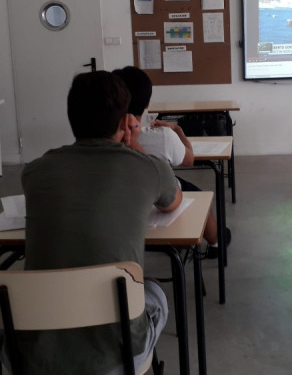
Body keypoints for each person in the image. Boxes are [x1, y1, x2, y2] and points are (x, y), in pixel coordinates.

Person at [21, 71, 181, 373]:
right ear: (125, 123)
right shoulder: (148, 169)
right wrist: (133, 145)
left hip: (35, 354)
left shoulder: (35, 172)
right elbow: (173, 202)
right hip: (119, 351)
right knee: (154, 290)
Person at [113, 66, 230, 259]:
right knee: (200, 196)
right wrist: (178, 131)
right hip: (161, 201)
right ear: (147, 104)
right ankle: (216, 242)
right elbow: (189, 159)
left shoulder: (106, 140)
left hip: (120, 207)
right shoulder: (163, 137)